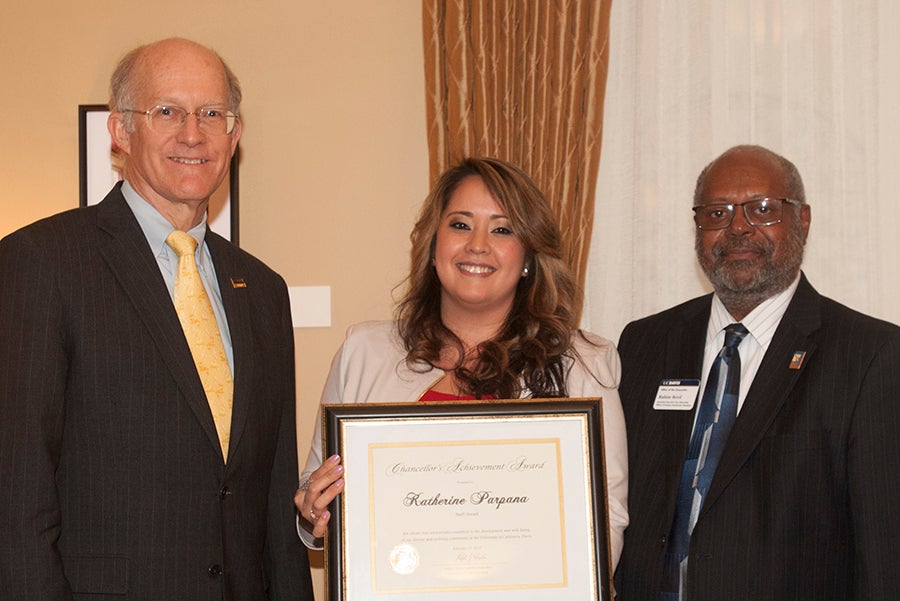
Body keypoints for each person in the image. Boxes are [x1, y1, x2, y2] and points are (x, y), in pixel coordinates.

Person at [0, 38, 313, 599]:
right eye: (166, 111)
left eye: (212, 114)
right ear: (120, 131)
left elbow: (270, 500)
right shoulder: (41, 262)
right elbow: (16, 492)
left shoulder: (264, 290)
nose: (192, 133)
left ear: (234, 135)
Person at [293, 156, 629, 567]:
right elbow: (315, 501)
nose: (477, 245)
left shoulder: (585, 365)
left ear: (527, 257)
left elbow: (606, 521)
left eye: (502, 229)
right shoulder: (361, 351)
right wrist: (313, 515)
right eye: (460, 224)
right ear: (433, 246)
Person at [614, 144, 900, 600]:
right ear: (697, 228)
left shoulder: (871, 355)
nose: (738, 227)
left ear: (802, 221)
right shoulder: (644, 343)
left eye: (763, 210)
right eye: (717, 212)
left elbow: (886, 557)